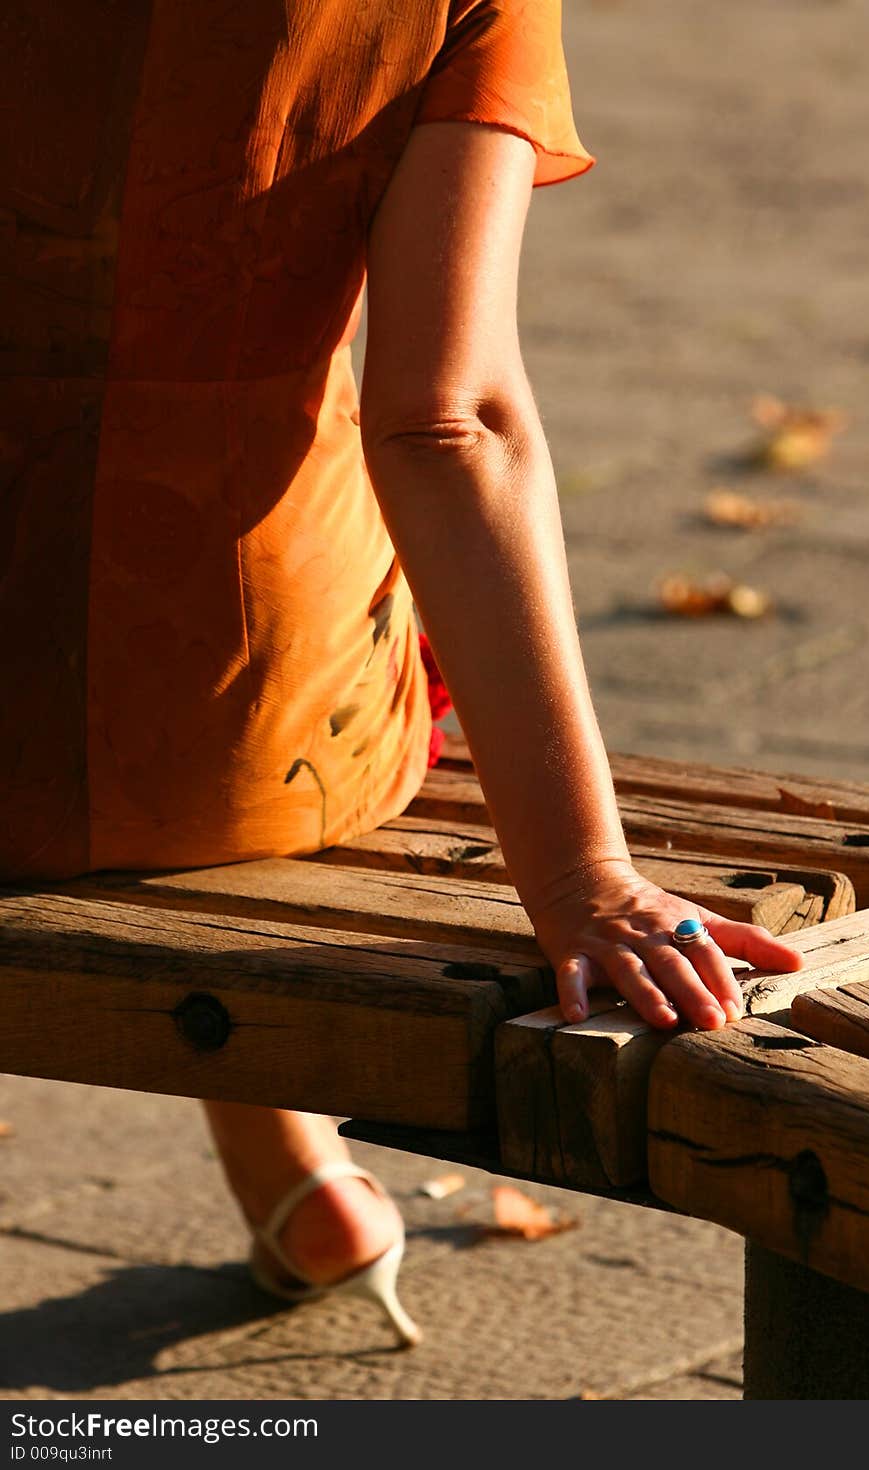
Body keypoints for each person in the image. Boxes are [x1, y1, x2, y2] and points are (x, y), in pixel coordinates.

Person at [1, 0, 804, 1347]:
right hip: (241, 740)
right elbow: (448, 418)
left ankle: (295, 1177)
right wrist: (580, 873)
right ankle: (301, 1174)